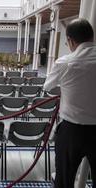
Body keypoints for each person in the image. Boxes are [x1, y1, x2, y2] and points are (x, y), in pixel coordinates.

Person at [43, 18, 96, 188]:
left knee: (64, 179)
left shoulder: (64, 63)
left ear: (70, 41)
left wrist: (67, 91)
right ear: (92, 38)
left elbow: (48, 88)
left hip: (72, 131)